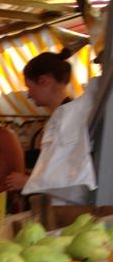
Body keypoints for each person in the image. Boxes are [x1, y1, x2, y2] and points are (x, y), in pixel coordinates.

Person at [6, 48, 97, 205]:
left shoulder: (72, 120)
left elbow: (69, 179)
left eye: (30, 87)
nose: (28, 94)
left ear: (44, 81)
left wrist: (27, 182)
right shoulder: (60, 118)